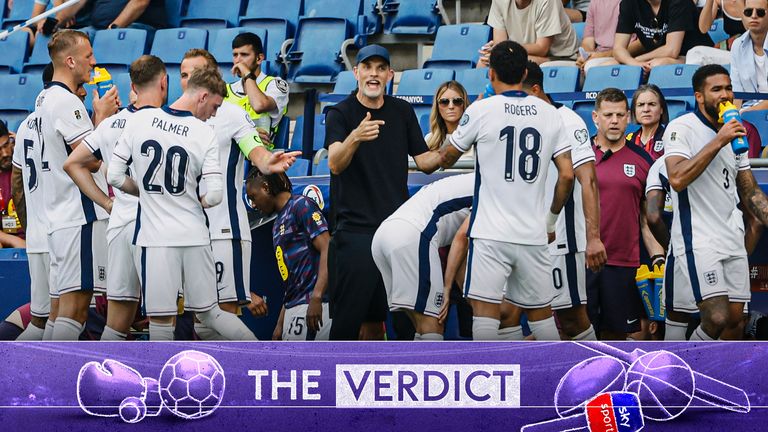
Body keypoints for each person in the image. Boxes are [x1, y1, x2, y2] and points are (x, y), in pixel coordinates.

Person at [107, 66, 257, 341]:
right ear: (202, 97)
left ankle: (163, 383)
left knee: (161, 322)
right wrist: (194, 199)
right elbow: (214, 196)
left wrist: (145, 194)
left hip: (156, 239)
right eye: (214, 106)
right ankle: (262, 356)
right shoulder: (203, 133)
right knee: (212, 312)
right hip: (195, 235)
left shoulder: (140, 121)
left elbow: (114, 176)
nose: (213, 113)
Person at [440, 40, 575, 341]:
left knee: (486, 315)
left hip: (490, 232)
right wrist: (551, 221)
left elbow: (446, 156)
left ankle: (489, 383)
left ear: (490, 74)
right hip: (533, 232)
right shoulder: (549, 113)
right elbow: (567, 175)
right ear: (525, 72)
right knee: (542, 318)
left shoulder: (481, 109)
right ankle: (552, 383)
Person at [323, 44, 444, 340]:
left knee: (402, 322)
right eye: (367, 67)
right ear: (356, 73)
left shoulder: (401, 111)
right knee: (348, 323)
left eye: (380, 68)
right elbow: (335, 163)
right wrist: (355, 137)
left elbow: (425, 161)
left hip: (396, 231)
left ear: (390, 75)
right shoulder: (340, 113)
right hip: (355, 233)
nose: (373, 74)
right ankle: (334, 382)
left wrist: (459, 143)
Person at [178, 48, 299, 339]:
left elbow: (257, 154)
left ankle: (257, 362)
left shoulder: (231, 113)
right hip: (186, 231)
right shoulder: (173, 117)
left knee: (223, 309)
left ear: (212, 76)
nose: (187, 80)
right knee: (200, 319)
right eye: (183, 74)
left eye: (195, 73)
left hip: (223, 227)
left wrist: (269, 161)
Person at [497, 60, 606, 341]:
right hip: (522, 235)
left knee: (571, 320)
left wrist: (593, 237)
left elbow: (588, 180)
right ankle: (520, 381)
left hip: (560, 238)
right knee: (506, 315)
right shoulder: (515, 122)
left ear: (534, 91)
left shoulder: (567, 121)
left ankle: (600, 376)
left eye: (517, 95)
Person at [63, 55, 167, 340]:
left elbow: (72, 164)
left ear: (132, 85)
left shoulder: (110, 125)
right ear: (163, 82)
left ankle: (101, 381)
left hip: (120, 223)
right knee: (163, 318)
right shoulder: (171, 125)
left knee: (118, 321)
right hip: (157, 226)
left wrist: (106, 202)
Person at [664, 64, 768, 340]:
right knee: (716, 316)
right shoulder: (681, 128)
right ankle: (685, 371)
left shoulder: (736, 132)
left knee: (735, 321)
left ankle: (716, 378)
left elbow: (749, 190)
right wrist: (719, 140)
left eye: (728, 88)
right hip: (699, 238)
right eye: (717, 89)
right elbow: (677, 178)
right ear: (699, 96)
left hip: (731, 236)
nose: (725, 95)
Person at [35, 30, 112, 340]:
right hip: (79, 217)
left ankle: (40, 379)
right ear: (70, 61)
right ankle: (53, 382)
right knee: (76, 310)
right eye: (88, 56)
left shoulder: (43, 98)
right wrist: (103, 118)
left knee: (57, 312)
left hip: (57, 217)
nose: (93, 63)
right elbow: (90, 160)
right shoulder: (68, 102)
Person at [587, 88, 660, 340]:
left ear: (629, 117)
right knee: (575, 331)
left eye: (620, 114)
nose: (615, 121)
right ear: (595, 117)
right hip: (582, 259)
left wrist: (658, 256)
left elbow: (646, 217)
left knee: (615, 334)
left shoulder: (643, 160)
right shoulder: (578, 154)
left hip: (623, 261)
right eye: (608, 115)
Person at [371, 173, 473, 341]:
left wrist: (466, 294)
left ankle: (416, 365)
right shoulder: (494, 186)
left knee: (419, 326)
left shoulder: (474, 179)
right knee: (433, 325)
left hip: (384, 236)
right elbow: (461, 238)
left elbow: (463, 246)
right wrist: (447, 289)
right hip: (412, 235)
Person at [246, 170, 333, 341]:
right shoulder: (277, 223)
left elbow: (328, 248)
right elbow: (290, 280)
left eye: (253, 197)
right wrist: (280, 323)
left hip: (314, 306)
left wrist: (317, 297)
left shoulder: (301, 205)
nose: (253, 205)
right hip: (293, 308)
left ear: (265, 187)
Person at [613, 0, 714, 71]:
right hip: (655, 58)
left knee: (659, 64)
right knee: (609, 65)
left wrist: (638, 60)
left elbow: (672, 50)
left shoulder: (679, 2)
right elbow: (618, 49)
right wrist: (632, 62)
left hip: (695, 57)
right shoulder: (628, 3)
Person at [226, 32, 288, 143]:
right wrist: (248, 134)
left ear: (259, 58)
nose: (238, 60)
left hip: (262, 155)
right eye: (235, 55)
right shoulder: (226, 90)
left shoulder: (274, 85)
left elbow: (259, 105)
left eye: (244, 55)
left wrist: (247, 74)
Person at [481, 0, 579, 65]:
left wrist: (508, 49)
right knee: (484, 62)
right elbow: (500, 44)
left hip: (560, 58)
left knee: (510, 62)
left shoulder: (548, 1)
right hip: (520, 53)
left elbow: (542, 48)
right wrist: (496, 51)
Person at [577, 0, 643, 72]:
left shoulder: (637, 3)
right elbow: (588, 41)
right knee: (576, 70)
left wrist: (601, 56)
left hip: (629, 57)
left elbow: (642, 44)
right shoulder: (595, 2)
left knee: (591, 68)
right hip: (599, 56)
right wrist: (585, 56)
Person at [731, 0, 768, 110]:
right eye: (748, 12)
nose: (753, 16)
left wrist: (749, 112)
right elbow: (737, 94)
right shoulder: (737, 45)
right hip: (749, 111)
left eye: (760, 12)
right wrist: (735, 119)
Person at [626, 84, 669, 160]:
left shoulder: (669, 139)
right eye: (641, 105)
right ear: (634, 110)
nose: (646, 109)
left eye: (652, 104)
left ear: (661, 109)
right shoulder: (627, 140)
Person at [0, 122, 24, 248]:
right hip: (8, 243)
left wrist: (22, 142)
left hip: (37, 238)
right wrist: (14, 241)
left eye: (6, 145)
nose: (4, 154)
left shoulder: (26, 163)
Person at [425, 81, 468, 151]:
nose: (451, 106)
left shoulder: (475, 139)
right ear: (437, 107)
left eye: (457, 101)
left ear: (464, 104)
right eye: (444, 102)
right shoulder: (429, 139)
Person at [90, 0, 167, 30]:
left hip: (136, 25)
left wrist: (112, 28)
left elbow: (140, 2)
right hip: (97, 28)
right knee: (79, 40)